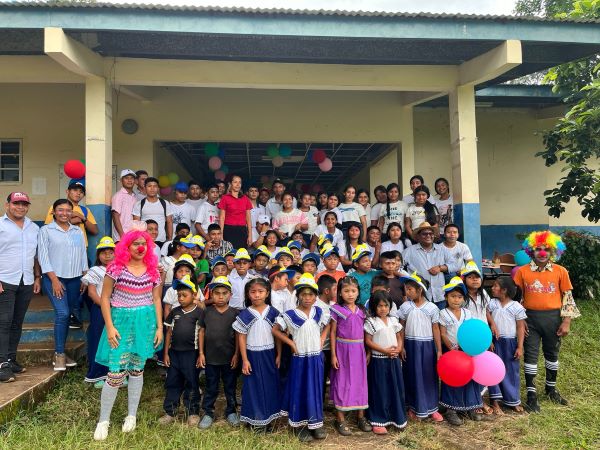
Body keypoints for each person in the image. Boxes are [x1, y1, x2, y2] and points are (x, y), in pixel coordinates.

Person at [93, 225, 163, 441]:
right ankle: (103, 420)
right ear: (127, 246)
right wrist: (110, 326)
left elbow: (156, 299)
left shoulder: (154, 270)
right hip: (120, 323)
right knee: (115, 373)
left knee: (137, 370)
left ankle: (131, 415)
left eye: (144, 243)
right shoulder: (116, 268)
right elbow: (105, 297)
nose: (140, 247)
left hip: (145, 323)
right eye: (136, 243)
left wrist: (160, 327)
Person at [513, 231, 580, 413]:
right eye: (537, 249)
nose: (542, 253)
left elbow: (568, 298)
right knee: (531, 356)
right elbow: (517, 299)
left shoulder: (561, 271)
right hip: (530, 320)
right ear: (530, 251)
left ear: (553, 252)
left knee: (552, 354)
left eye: (546, 249)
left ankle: (551, 389)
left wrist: (566, 321)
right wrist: (521, 320)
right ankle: (531, 394)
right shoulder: (522, 272)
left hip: (553, 319)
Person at [274, 273, 330, 442]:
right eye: (303, 294)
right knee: (300, 388)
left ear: (316, 296)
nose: (307, 298)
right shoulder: (290, 315)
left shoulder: (319, 312)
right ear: (297, 295)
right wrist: (290, 344)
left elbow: (328, 324)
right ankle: (297, 425)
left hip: (315, 357)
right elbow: (275, 330)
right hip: (300, 358)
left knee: (315, 389)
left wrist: (322, 338)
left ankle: (315, 422)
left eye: (311, 294)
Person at [38, 199, 88, 371]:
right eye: (61, 210)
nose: (65, 213)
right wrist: (54, 280)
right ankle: (59, 354)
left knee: (67, 315)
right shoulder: (46, 230)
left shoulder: (77, 231)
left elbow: (82, 254)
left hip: (75, 279)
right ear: (54, 212)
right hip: (55, 279)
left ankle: (60, 351)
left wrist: (84, 277)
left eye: (68, 210)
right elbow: (43, 258)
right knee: (63, 312)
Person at [0, 192, 41, 383]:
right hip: (5, 281)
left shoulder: (33, 228)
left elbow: (35, 256)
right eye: (16, 203)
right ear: (8, 204)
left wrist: (37, 277)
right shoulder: (0, 225)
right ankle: (1, 364)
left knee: (17, 322)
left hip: (26, 281)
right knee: (4, 323)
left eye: (24, 204)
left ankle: (10, 358)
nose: (20, 207)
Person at [234, 277, 281, 429]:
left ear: (267, 293)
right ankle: (255, 419)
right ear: (248, 294)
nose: (257, 295)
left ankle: (268, 419)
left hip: (269, 354)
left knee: (269, 385)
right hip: (252, 355)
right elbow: (241, 336)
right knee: (252, 387)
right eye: (253, 292)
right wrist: (245, 359)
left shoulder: (273, 312)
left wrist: (279, 354)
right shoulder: (245, 314)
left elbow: (279, 336)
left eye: (260, 291)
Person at [396, 272, 443, 422]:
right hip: (410, 345)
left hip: (427, 346)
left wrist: (439, 350)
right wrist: (401, 346)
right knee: (412, 375)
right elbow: (401, 328)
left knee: (429, 375)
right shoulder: (405, 307)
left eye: (410, 289)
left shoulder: (432, 308)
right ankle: (413, 406)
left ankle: (432, 407)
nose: (407, 292)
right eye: (406, 289)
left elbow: (436, 329)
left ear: (420, 290)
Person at [197, 276, 240, 429]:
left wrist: (236, 355)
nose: (220, 296)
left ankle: (231, 411)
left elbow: (238, 336)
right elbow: (201, 331)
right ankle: (208, 412)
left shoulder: (235, 313)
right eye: (217, 293)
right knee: (211, 386)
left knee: (230, 386)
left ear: (230, 295)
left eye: (224, 293)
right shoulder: (206, 312)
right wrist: (201, 353)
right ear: (211, 295)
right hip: (210, 358)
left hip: (230, 359)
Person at [438, 277, 482, 426]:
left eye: (459, 297)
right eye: (452, 296)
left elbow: (471, 330)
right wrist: (450, 346)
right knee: (452, 379)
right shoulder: (443, 313)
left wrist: (471, 346)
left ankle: (470, 406)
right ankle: (451, 409)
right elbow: (443, 333)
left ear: (463, 299)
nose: (456, 300)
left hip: (467, 350)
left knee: (468, 377)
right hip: (451, 351)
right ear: (446, 297)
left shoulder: (467, 313)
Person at [160, 274, 203, 427]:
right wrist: (165, 353)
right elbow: (169, 333)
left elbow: (202, 333)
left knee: (192, 382)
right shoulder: (175, 312)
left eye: (184, 295)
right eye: (179, 295)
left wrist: (201, 354)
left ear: (194, 295)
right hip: (174, 354)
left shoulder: (199, 313)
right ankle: (170, 411)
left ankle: (192, 412)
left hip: (191, 353)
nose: (180, 298)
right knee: (172, 381)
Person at [329, 276, 370, 436]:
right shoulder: (336, 309)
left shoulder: (362, 311)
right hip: (342, 350)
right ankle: (340, 419)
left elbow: (366, 334)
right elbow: (332, 333)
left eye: (353, 291)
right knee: (342, 381)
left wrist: (368, 351)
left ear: (358, 292)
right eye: (346, 291)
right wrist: (333, 354)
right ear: (340, 292)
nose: (350, 294)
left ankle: (361, 417)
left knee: (360, 382)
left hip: (359, 350)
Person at [364, 290, 406, 434]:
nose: (383, 309)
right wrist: (384, 350)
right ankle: (378, 419)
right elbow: (368, 341)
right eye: (380, 306)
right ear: (374, 307)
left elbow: (399, 336)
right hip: (378, 360)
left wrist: (399, 348)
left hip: (393, 360)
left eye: (386, 305)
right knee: (380, 389)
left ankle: (396, 417)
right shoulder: (371, 322)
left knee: (394, 388)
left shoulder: (394, 320)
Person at [488, 276, 527, 414]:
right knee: (493, 370)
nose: (492, 288)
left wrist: (520, 346)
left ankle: (513, 400)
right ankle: (495, 402)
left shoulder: (516, 307)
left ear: (504, 290)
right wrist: (489, 338)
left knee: (511, 370)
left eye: (495, 286)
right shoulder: (492, 303)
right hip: (494, 342)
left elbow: (520, 327)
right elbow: (486, 315)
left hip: (510, 342)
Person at [81, 236, 115, 387]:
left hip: (118, 310)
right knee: (98, 340)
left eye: (110, 252)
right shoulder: (95, 271)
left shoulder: (120, 270)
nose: (107, 255)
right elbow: (92, 293)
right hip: (100, 309)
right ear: (98, 255)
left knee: (116, 341)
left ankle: (115, 372)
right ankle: (98, 374)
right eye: (104, 252)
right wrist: (105, 305)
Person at [402, 222, 458, 308]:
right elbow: (398, 267)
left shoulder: (442, 249)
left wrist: (440, 268)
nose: (428, 236)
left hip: (439, 295)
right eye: (424, 234)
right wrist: (409, 278)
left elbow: (454, 265)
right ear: (418, 236)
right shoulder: (409, 251)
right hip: (419, 296)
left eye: (431, 233)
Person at [44, 179, 99, 248]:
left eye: (81, 192)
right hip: (61, 246)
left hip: (80, 247)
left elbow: (95, 231)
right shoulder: (57, 207)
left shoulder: (85, 210)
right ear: (67, 191)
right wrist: (72, 221)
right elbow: (48, 229)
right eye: (75, 190)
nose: (78, 193)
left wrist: (81, 217)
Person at [132, 177, 173, 246]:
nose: (152, 189)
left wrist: (169, 239)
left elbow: (169, 222)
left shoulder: (165, 203)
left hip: (161, 240)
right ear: (145, 188)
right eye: (149, 186)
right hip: (145, 240)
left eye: (155, 186)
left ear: (158, 188)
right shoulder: (139, 204)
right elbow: (136, 224)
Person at [218, 175, 253, 249]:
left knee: (241, 255)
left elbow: (248, 219)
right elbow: (222, 218)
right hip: (228, 230)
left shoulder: (245, 199)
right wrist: (220, 235)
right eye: (235, 182)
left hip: (242, 230)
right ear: (230, 184)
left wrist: (250, 235)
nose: (238, 184)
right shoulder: (225, 198)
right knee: (228, 254)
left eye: (239, 182)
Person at [111, 169, 138, 242]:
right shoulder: (118, 196)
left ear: (135, 181)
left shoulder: (134, 196)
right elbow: (115, 216)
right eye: (126, 178)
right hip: (121, 237)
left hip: (132, 236)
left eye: (131, 178)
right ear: (121, 180)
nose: (129, 180)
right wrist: (122, 235)